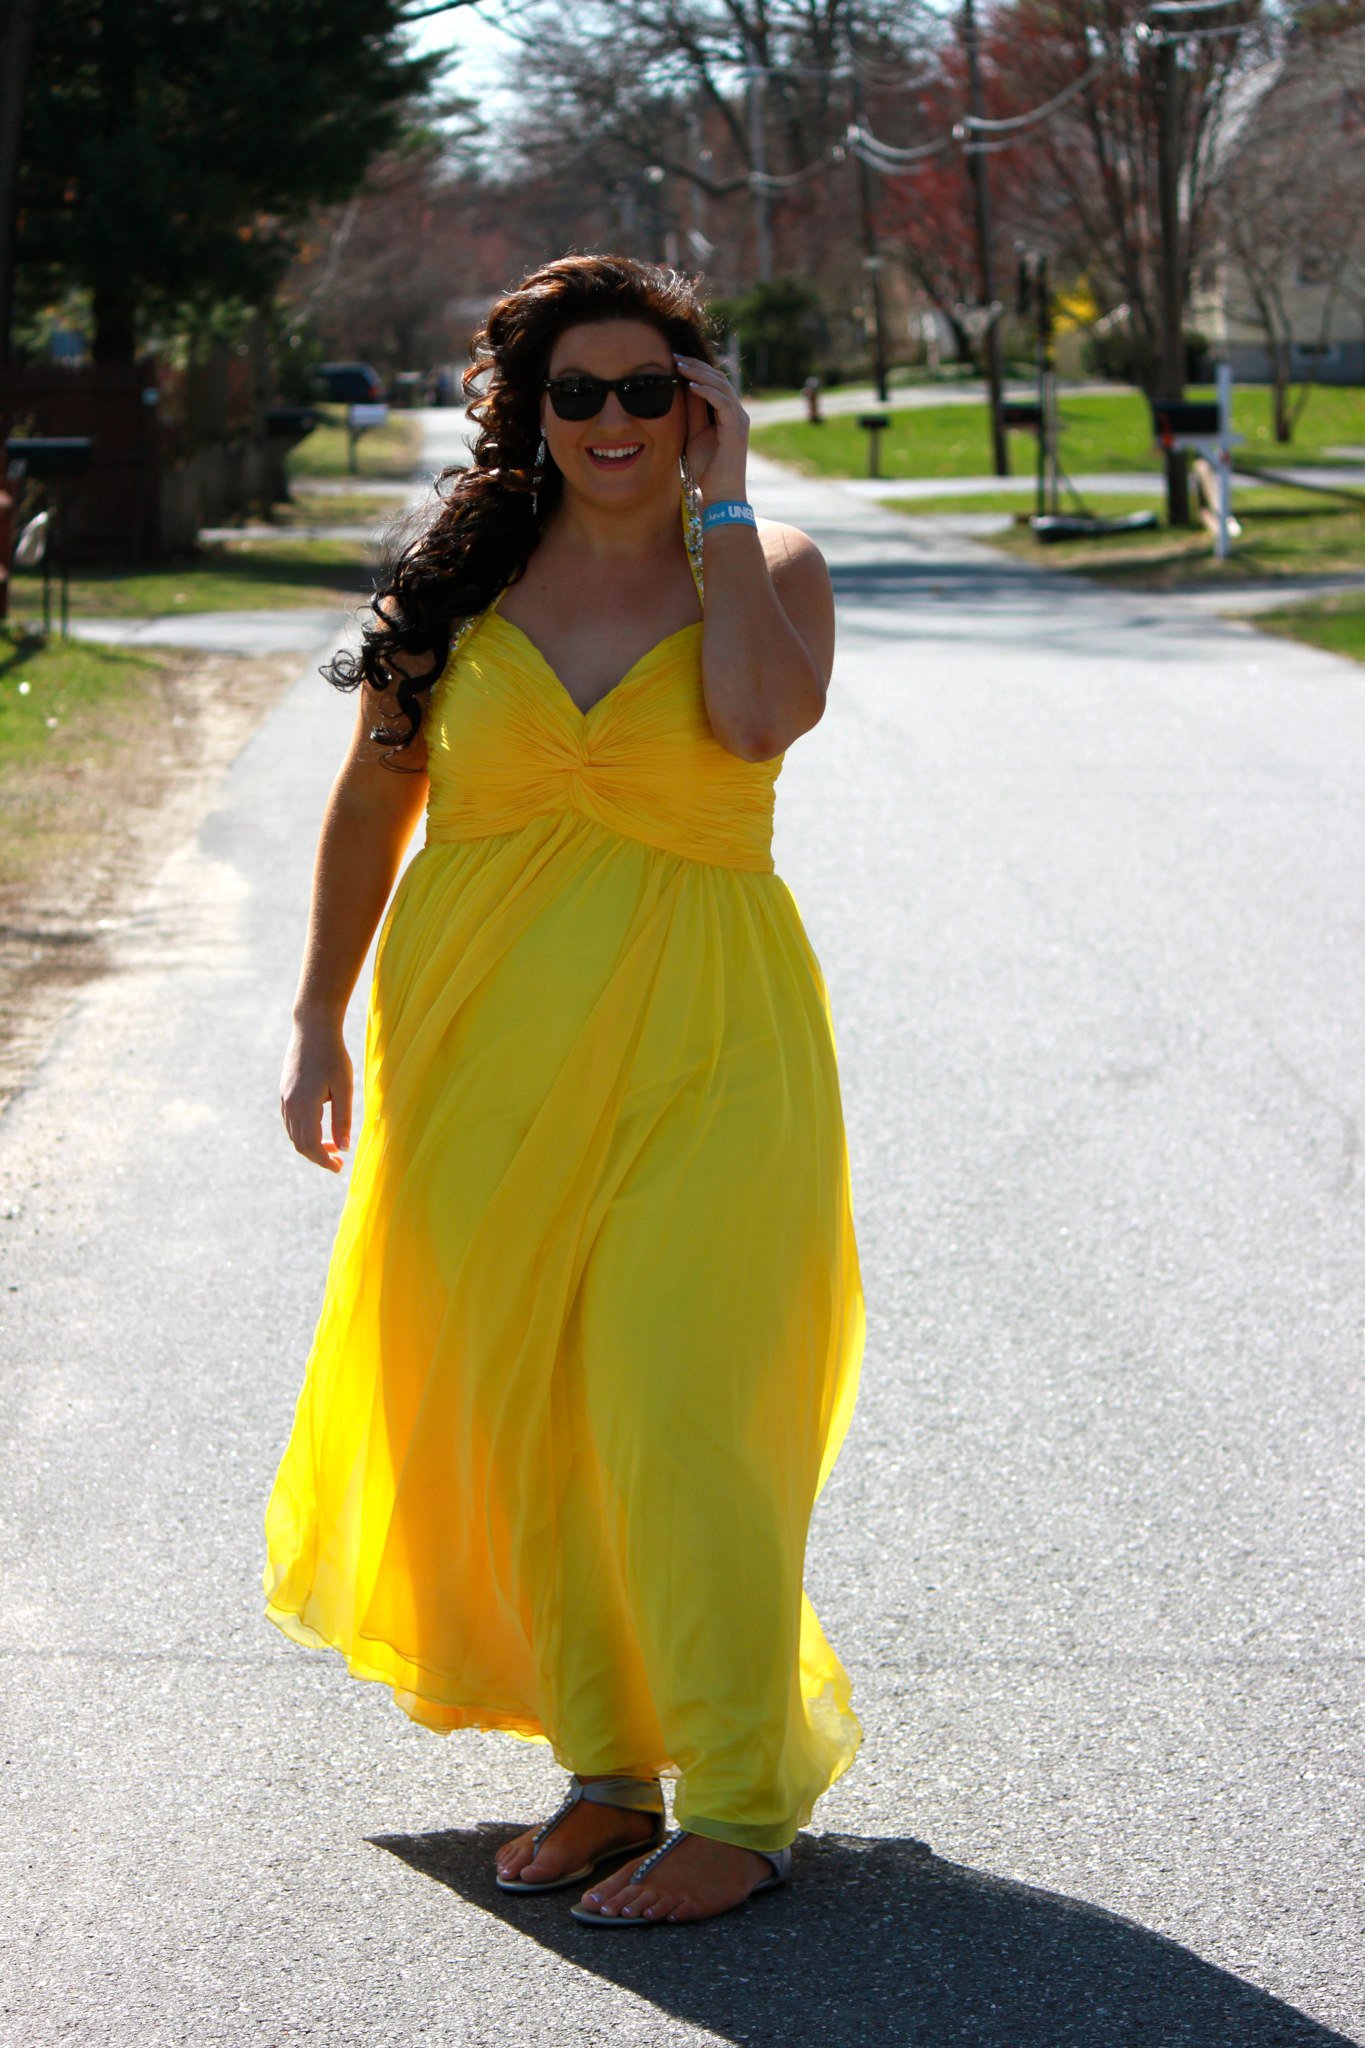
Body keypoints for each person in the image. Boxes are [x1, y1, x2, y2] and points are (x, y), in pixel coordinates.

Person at [266, 254, 865, 1930]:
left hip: (713, 1040)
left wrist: (727, 512)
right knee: (534, 1413)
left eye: (647, 389)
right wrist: (318, 1017)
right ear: (530, 414)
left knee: (678, 1408)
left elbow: (755, 725)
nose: (613, 421)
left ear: (699, 401)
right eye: (577, 393)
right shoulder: (461, 581)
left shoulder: (773, 570)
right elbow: (369, 807)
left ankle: (739, 1798)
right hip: (480, 1041)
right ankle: (609, 1775)